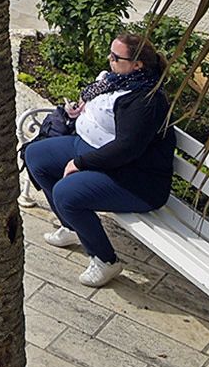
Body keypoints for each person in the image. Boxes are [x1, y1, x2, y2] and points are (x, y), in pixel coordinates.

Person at [20, 31, 176, 287]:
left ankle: (105, 260)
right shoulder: (118, 80)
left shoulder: (146, 101)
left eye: (116, 57)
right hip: (94, 150)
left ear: (137, 65)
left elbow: (127, 149)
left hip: (134, 178)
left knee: (66, 193)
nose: (109, 59)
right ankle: (72, 227)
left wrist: (81, 163)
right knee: (36, 155)